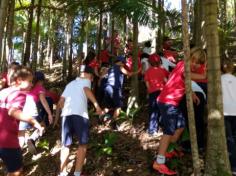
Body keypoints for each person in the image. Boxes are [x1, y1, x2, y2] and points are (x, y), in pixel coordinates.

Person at [153, 47, 206, 175]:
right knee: (168, 132)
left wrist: (192, 94)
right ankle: (159, 162)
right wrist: (206, 65)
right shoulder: (185, 67)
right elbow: (202, 76)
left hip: (171, 102)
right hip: (168, 102)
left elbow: (183, 81)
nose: (195, 64)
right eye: (193, 60)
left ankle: (168, 150)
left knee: (181, 126)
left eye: (198, 62)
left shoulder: (181, 64)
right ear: (188, 57)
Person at [57, 65, 103, 176]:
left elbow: (60, 102)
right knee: (83, 145)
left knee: (65, 145)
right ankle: (77, 173)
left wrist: (66, 110)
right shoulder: (86, 81)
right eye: (92, 77)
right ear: (89, 75)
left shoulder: (70, 84)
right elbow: (86, 90)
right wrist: (97, 106)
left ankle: (62, 173)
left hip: (66, 115)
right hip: (80, 115)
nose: (91, 79)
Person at [0, 66, 44, 176]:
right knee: (16, 171)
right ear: (19, 81)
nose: (31, 84)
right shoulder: (20, 94)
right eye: (29, 81)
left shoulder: (3, 91)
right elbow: (13, 111)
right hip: (8, 141)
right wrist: (34, 122)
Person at [18, 71, 53, 154]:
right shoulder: (40, 88)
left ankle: (16, 155)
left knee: (21, 137)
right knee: (43, 126)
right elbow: (44, 101)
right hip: (33, 114)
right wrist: (50, 114)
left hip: (23, 114)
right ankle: (32, 138)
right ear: (41, 80)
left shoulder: (28, 87)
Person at [144, 54, 169, 136]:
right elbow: (166, 80)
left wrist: (149, 91)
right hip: (162, 93)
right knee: (162, 110)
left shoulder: (148, 71)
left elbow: (147, 83)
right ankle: (163, 128)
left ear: (150, 63)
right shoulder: (162, 70)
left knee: (153, 111)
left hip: (152, 93)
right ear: (159, 62)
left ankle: (152, 130)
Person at [221, 59, 236, 175]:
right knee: (233, 138)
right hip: (234, 111)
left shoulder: (219, 79)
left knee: (229, 139)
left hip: (225, 112)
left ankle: (233, 166)